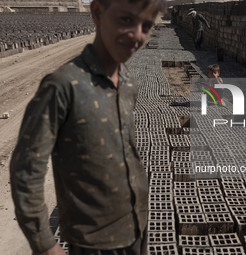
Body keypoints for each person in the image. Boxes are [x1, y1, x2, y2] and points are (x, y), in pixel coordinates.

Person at [10, 0, 165, 254]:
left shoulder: (126, 82)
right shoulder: (62, 86)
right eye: (126, 20)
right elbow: (26, 171)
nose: (137, 35)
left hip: (136, 228)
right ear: (97, 13)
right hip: (94, 242)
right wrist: (45, 244)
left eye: (146, 25)